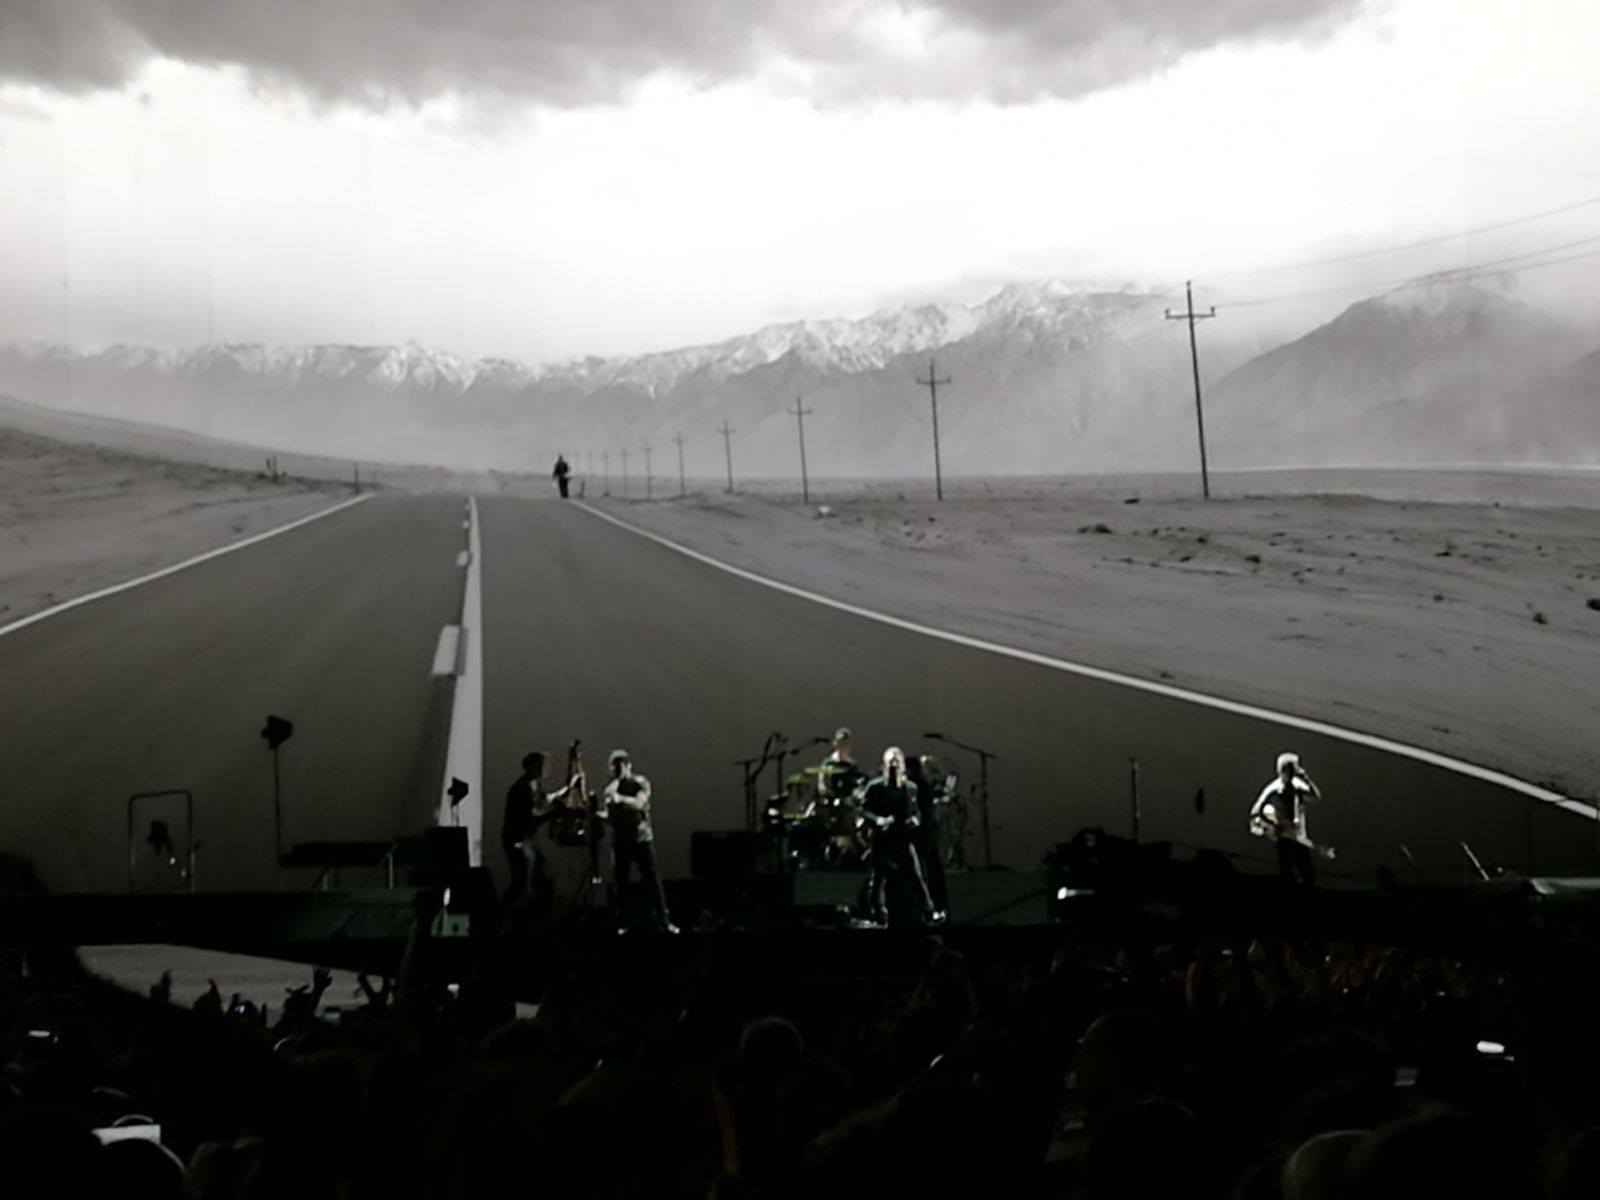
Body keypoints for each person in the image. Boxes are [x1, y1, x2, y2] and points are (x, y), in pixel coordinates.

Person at [855, 746, 942, 926]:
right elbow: (863, 810)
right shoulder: (875, 787)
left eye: (897, 763)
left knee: (915, 877)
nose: (894, 767)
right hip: (882, 838)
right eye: (890, 763)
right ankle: (876, 915)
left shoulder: (910, 788)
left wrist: (914, 820)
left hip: (902, 838)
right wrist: (878, 820)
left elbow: (915, 811)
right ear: (885, 766)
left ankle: (928, 912)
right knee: (878, 879)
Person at [600, 749, 678, 933]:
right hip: (621, 840)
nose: (617, 770)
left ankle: (664, 921)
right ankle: (623, 923)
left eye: (620, 766)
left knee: (652, 881)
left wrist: (620, 799)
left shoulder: (640, 782)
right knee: (621, 883)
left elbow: (639, 803)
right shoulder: (609, 789)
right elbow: (611, 817)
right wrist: (598, 813)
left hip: (641, 839)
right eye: (614, 767)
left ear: (628, 766)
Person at [502, 750, 581, 913]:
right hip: (519, 841)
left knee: (543, 881)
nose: (546, 769)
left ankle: (535, 918)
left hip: (527, 841)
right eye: (543, 765)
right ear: (534, 766)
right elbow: (530, 818)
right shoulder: (522, 788)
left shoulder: (534, 784)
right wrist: (554, 812)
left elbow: (546, 799)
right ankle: (500, 919)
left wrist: (567, 788)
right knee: (522, 887)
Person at [1249, 751, 1326, 885]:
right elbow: (1256, 812)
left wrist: (1306, 778)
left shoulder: (1298, 786)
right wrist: (1269, 827)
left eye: (1294, 770)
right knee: (1287, 873)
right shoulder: (1273, 789)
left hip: (1300, 836)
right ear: (1282, 770)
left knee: (1307, 873)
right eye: (1290, 770)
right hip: (1285, 837)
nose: (1292, 773)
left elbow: (1315, 797)